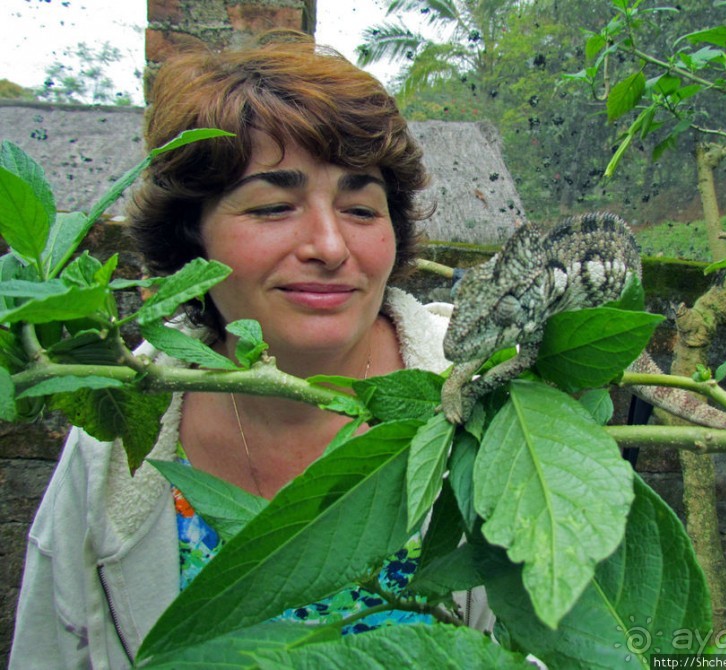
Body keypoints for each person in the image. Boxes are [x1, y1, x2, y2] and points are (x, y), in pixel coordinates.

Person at [10, 31, 492, 669]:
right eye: (271, 207)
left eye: (360, 208)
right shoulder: (116, 443)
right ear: (193, 239)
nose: (329, 245)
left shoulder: (483, 396)